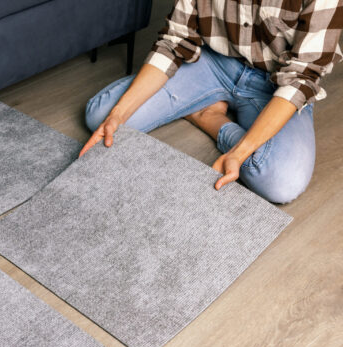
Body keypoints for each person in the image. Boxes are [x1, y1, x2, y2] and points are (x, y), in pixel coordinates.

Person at [80, 0, 342, 203]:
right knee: (101, 116)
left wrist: (239, 152)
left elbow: (301, 77)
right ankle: (206, 103)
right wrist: (119, 114)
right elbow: (175, 41)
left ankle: (210, 117)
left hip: (277, 85)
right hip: (212, 64)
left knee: (282, 182)